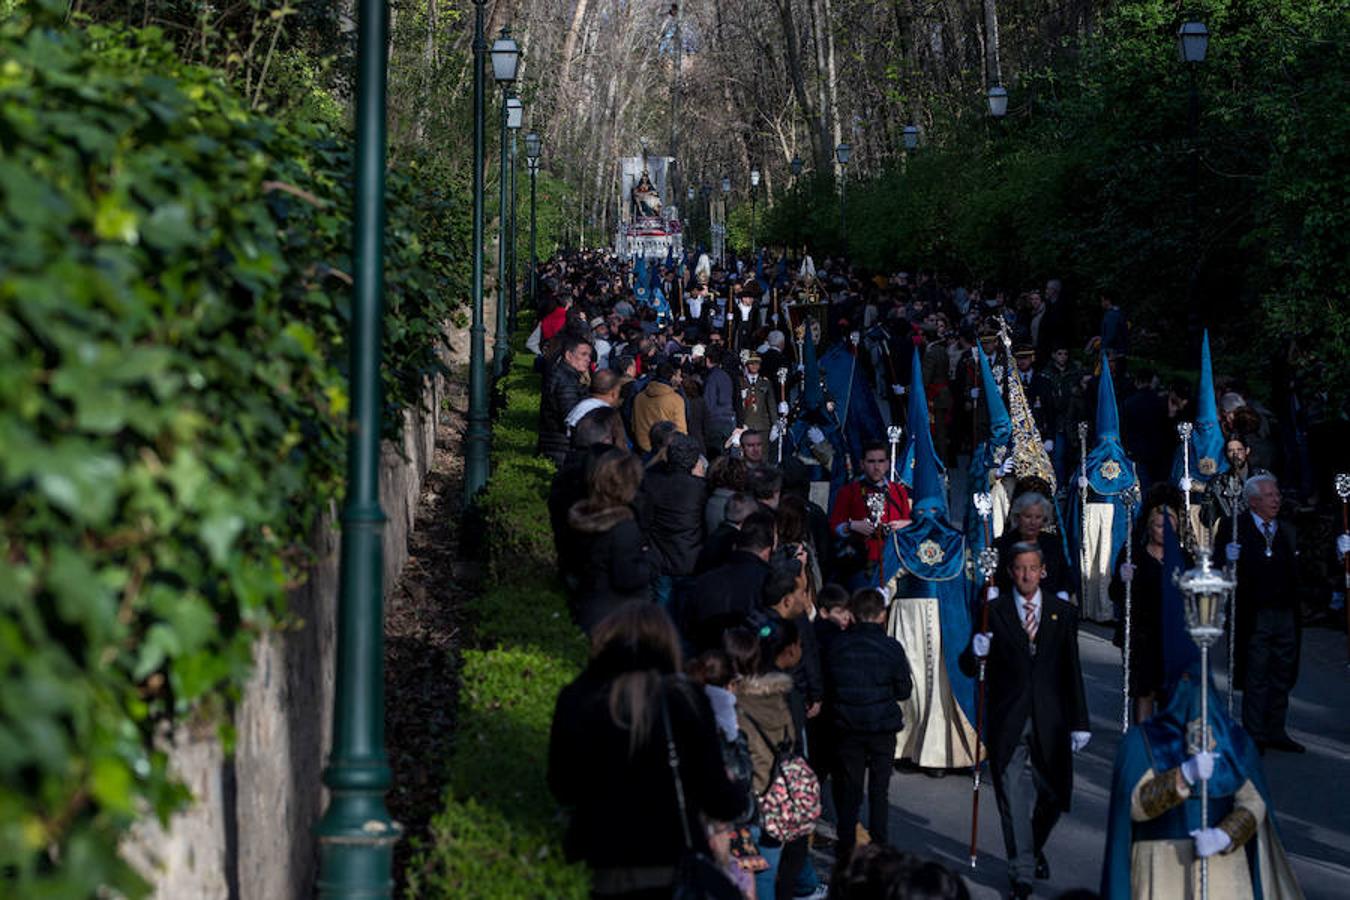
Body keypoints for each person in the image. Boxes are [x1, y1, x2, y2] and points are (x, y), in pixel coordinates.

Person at [547, 602, 747, 898]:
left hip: (605, 869)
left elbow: (562, 787)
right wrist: (738, 791)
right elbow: (717, 796)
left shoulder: (579, 697)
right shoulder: (684, 699)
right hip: (673, 864)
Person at [966, 543, 1090, 899]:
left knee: (1054, 795)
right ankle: (1021, 869)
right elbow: (969, 665)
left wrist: (1080, 720)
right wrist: (976, 653)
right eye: (1019, 568)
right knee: (1011, 795)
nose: (1025, 575)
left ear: (1043, 572)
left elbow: (1071, 668)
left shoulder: (1061, 612)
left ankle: (1031, 848)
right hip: (1008, 718)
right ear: (1010, 571)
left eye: (1032, 568)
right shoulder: (994, 609)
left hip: (1051, 719)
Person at [823, 587, 913, 864]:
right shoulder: (891, 647)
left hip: (848, 726)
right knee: (879, 789)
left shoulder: (837, 645)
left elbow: (830, 684)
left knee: (850, 789)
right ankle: (880, 848)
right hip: (881, 727)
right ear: (882, 616)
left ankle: (845, 846)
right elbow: (903, 689)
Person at [1216, 474, 1303, 753]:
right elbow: (1218, 567)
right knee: (1256, 672)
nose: (1276, 499)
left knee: (1282, 671)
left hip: (1285, 611)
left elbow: (1302, 566)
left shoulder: (1287, 529)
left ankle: (1276, 729)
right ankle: (1255, 733)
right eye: (1269, 496)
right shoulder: (1234, 528)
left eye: (1277, 495)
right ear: (1253, 501)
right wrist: (1228, 558)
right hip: (1254, 613)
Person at [567, 449, 660, 632]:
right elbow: (627, 577)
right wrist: (650, 560)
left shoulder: (586, 515)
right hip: (615, 619)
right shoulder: (623, 528)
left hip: (590, 607)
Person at [1111, 500, 1186, 722]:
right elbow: (1114, 593)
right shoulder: (1135, 555)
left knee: (1171, 692)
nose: (1165, 532)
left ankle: (1167, 741)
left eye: (1170, 527)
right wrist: (1124, 580)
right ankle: (1143, 743)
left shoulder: (1183, 558)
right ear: (1149, 528)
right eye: (1160, 526)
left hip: (1173, 635)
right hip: (1142, 634)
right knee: (1144, 691)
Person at [688, 511, 777, 651]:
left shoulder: (705, 581)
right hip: (751, 663)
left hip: (710, 662)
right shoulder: (770, 582)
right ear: (768, 550)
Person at [638, 434, 708, 613]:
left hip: (661, 558)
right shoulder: (700, 488)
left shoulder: (652, 482)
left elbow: (645, 520)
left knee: (662, 606)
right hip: (690, 560)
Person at [828, 441, 912, 587]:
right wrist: (851, 526)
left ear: (887, 464)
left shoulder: (899, 491)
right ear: (862, 464)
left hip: (893, 562)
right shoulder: (848, 491)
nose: (876, 467)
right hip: (860, 563)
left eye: (881, 461)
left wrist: (906, 525)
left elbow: (912, 526)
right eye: (871, 461)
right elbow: (834, 526)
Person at [994, 492, 1070, 601]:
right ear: (1017, 517)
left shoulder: (1053, 544)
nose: (1033, 522)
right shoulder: (1002, 545)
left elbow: (1065, 578)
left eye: (1038, 517)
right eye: (1028, 516)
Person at [538, 335, 592, 465]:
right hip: (559, 444)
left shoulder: (563, 373)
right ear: (568, 355)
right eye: (583, 354)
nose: (588, 359)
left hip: (554, 440)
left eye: (589, 355)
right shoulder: (567, 380)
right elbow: (571, 415)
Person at [631, 359, 687, 451]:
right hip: (665, 452)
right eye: (679, 376)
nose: (681, 379)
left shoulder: (638, 397)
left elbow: (633, 425)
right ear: (672, 377)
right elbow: (681, 432)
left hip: (641, 448)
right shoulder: (676, 400)